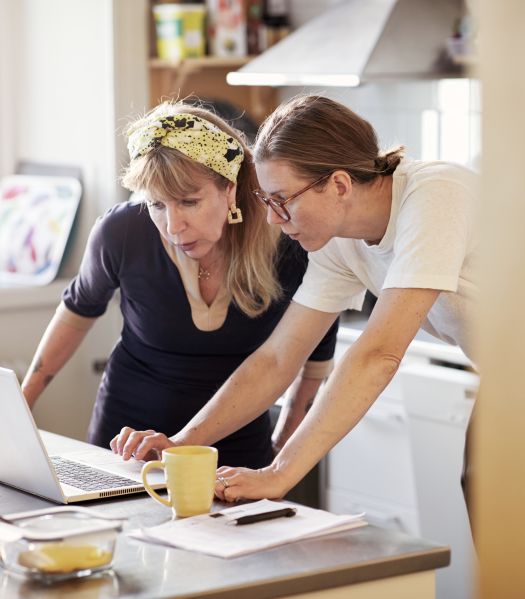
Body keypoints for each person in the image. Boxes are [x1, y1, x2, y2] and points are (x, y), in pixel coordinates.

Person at [112, 95, 478, 505]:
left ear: (339, 185)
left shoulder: (436, 195)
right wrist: (181, 444)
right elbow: (278, 358)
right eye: (267, 201)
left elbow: (379, 354)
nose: (270, 218)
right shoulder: (339, 241)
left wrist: (279, 474)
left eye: (281, 199)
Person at [22, 100, 338, 469]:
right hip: (126, 442)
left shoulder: (288, 242)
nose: (173, 227)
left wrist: (280, 455)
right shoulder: (123, 232)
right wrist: (21, 404)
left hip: (234, 446)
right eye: (157, 204)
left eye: (189, 202)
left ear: (229, 188)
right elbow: (76, 311)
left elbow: (313, 359)